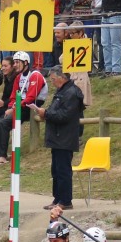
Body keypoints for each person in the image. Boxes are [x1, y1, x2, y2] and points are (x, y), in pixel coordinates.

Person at [0, 51, 47, 165]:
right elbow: (13, 96)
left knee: (3, 124)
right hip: (19, 106)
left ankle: (2, 156)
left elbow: (31, 97)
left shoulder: (35, 75)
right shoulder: (18, 77)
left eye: (17, 62)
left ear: (25, 63)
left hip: (30, 106)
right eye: (14, 62)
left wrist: (13, 108)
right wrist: (10, 107)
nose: (15, 65)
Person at [34, 66, 83, 210]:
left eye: (54, 79)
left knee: (63, 171)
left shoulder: (72, 93)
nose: (52, 82)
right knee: (55, 170)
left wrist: (46, 114)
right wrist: (46, 113)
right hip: (57, 137)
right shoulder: (62, 91)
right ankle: (57, 199)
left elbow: (64, 115)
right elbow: (56, 111)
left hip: (65, 138)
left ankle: (66, 201)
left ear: (62, 77)